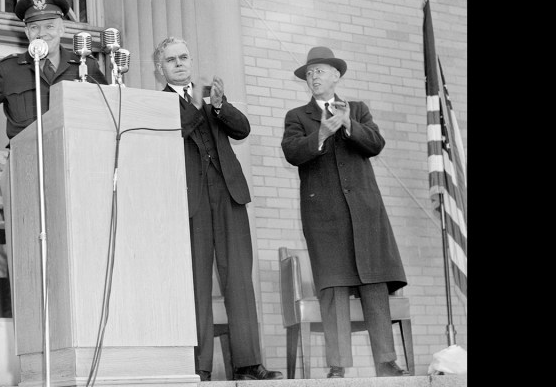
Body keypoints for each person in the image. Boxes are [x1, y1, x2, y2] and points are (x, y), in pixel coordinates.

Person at [152, 36, 283, 381]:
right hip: (190, 199)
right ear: (160, 68)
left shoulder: (213, 97)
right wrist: (199, 105)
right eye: (171, 60)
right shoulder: (157, 103)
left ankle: (248, 362)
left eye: (183, 57)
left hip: (228, 193)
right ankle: (200, 365)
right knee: (195, 281)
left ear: (191, 61)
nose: (179, 63)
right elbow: (174, 131)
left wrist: (221, 106)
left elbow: (242, 130)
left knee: (239, 277)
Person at [280, 46, 410, 378]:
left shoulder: (359, 110)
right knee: (334, 286)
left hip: (365, 212)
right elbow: (293, 152)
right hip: (324, 216)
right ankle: (337, 367)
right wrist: (322, 132)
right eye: (309, 73)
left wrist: (348, 124)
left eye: (319, 71)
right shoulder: (297, 116)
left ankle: (386, 362)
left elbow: (376, 143)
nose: (313, 77)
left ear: (336, 76)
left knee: (374, 282)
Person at [0, 0, 107, 172]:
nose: (42, 33)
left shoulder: (85, 66)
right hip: (25, 165)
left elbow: (108, 112)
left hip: (78, 162)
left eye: (49, 26)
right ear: (26, 32)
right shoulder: (9, 69)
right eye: (34, 27)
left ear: (62, 29)